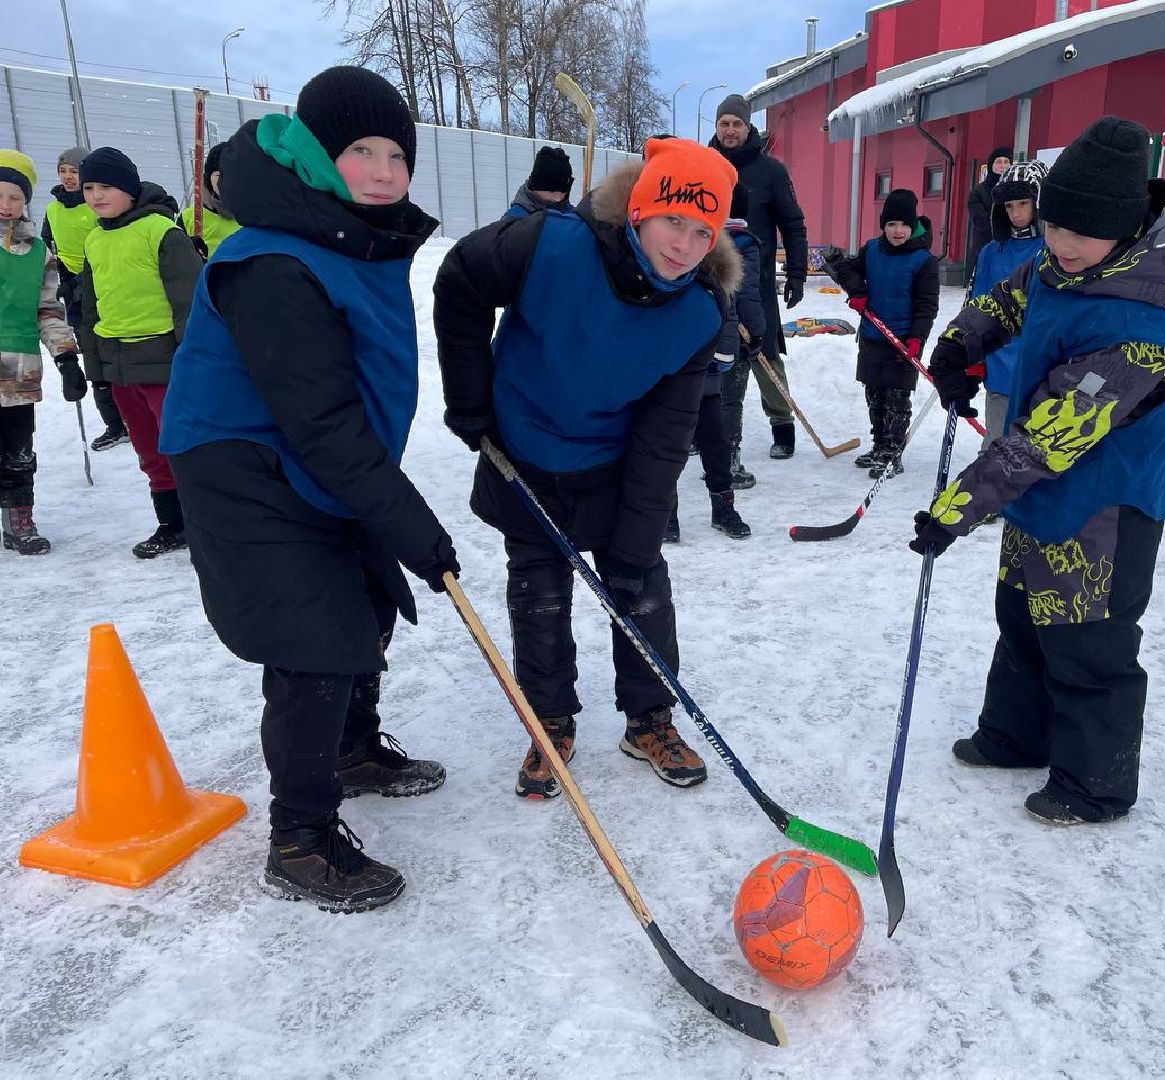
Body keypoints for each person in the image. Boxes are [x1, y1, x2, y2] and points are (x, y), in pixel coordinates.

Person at [160, 66, 456, 913]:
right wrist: (409, 521)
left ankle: (353, 749)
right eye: (361, 150)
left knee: (366, 599)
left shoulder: (347, 236)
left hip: (318, 459)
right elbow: (319, 420)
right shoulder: (274, 260)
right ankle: (300, 841)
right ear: (317, 156)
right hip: (244, 466)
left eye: (397, 155)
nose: (384, 171)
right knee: (315, 637)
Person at [914, 116, 1165, 826]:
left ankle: (1094, 785)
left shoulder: (1140, 336)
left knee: (1087, 642)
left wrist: (955, 510)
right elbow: (1008, 298)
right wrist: (960, 346)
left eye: (1081, 233)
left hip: (1103, 510)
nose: (1062, 244)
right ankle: (1017, 736)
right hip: (1042, 501)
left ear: (1125, 231)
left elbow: (1043, 442)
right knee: (1022, 616)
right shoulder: (1058, 265)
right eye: (1053, 226)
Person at [434, 136, 739, 800]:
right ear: (640, 208)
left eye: (702, 231)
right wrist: (470, 400)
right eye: (673, 220)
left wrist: (636, 543)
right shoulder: (548, 243)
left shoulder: (698, 311)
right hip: (523, 453)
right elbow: (459, 278)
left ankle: (649, 720)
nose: (685, 245)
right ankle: (550, 721)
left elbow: (664, 438)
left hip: (613, 464)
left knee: (642, 587)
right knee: (538, 595)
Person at [77, 147, 202, 557]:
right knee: (149, 450)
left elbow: (189, 303)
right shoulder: (94, 239)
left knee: (183, 447)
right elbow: (91, 308)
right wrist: (96, 366)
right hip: (120, 364)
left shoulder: (161, 232)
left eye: (106, 186)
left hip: (165, 363)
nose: (96, 195)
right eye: (88, 188)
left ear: (129, 188)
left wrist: (192, 361)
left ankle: (208, 523)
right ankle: (172, 524)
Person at [709, 93, 807, 471]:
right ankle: (707, 429)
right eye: (724, 123)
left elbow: (793, 225)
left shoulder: (771, 172)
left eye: (737, 123)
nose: (730, 130)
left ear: (748, 127)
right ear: (717, 127)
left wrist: (796, 273)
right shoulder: (704, 166)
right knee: (709, 356)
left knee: (764, 353)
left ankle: (782, 425)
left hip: (756, 280)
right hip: (710, 282)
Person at [668, 182, 759, 543]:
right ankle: (665, 515)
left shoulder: (716, 258)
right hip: (667, 371)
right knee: (668, 446)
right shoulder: (663, 254)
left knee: (715, 442)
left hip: (704, 372)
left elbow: (728, 310)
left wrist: (725, 351)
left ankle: (723, 509)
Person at [0, 150, 80, 555]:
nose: (6, 204)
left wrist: (66, 358)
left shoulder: (38, 253)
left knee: (18, 451)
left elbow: (48, 310)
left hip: (18, 368)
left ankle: (19, 522)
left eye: (15, 197)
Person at [828, 188, 939, 479]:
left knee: (896, 400)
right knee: (875, 396)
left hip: (902, 341)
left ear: (912, 225)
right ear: (883, 225)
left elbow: (927, 306)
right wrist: (858, 292)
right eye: (891, 224)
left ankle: (892, 453)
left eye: (903, 224)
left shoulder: (923, 261)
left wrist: (916, 339)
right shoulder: (872, 250)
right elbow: (846, 269)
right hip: (872, 336)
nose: (897, 231)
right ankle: (879, 446)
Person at [41, 145, 129, 451]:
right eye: (63, 171)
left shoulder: (96, 206)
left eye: (74, 171)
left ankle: (134, 415)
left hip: (105, 286)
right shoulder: (53, 210)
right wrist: (60, 278)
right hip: (74, 294)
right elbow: (47, 247)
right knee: (92, 356)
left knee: (117, 352)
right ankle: (114, 423)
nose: (68, 177)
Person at [970, 160, 1048, 449]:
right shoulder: (991, 252)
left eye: (1023, 204)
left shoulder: (1054, 249)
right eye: (1009, 206)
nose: (1016, 213)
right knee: (997, 444)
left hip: (1041, 367)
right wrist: (972, 354)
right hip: (1000, 364)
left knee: (1035, 450)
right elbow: (977, 306)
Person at [178, 143, 243, 258]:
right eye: (218, 175)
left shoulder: (254, 214)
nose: (225, 181)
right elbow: (175, 260)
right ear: (208, 179)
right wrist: (190, 254)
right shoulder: (190, 218)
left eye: (231, 174)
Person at [965, 146, 1012, 284]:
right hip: (985, 251)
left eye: (1006, 161)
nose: (1002, 166)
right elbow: (982, 222)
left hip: (1010, 253)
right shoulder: (978, 192)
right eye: (998, 162)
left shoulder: (1016, 190)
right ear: (991, 165)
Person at [505, 146, 574, 218]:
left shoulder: (572, 215)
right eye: (553, 191)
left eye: (564, 191)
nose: (558, 198)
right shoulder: (515, 219)